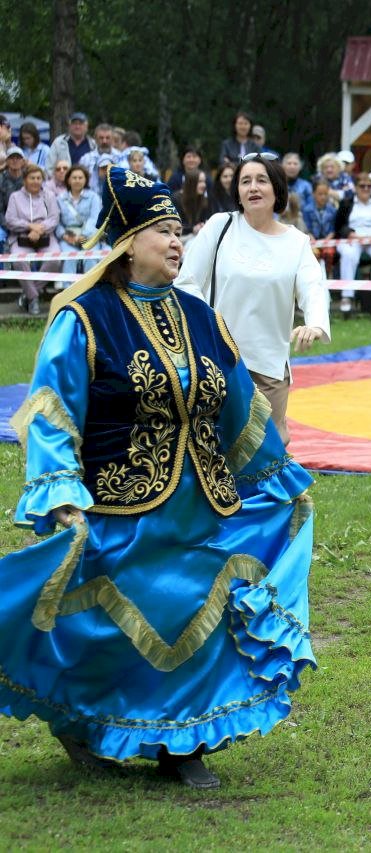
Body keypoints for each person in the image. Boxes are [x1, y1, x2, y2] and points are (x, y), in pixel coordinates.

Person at [0, 166, 315, 789]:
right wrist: (60, 488)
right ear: (127, 244)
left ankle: (183, 743)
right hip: (122, 510)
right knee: (104, 630)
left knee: (200, 608)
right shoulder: (85, 318)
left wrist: (277, 474)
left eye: (179, 232)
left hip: (204, 506)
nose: (176, 243)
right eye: (164, 232)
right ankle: (81, 718)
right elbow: (53, 409)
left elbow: (240, 407)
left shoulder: (201, 317)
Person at [175, 154, 330, 442]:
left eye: (262, 180)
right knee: (213, 445)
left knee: (269, 448)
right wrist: (209, 325)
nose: (253, 187)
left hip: (269, 364)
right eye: (245, 181)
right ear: (237, 191)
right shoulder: (220, 226)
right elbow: (186, 282)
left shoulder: (296, 242)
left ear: (277, 189)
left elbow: (313, 287)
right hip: (218, 359)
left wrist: (316, 324)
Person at [332, 172, 371, 315]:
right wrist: (351, 234)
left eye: (369, 186)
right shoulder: (346, 203)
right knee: (349, 254)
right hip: (353, 238)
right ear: (355, 187)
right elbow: (339, 226)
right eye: (362, 186)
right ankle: (347, 296)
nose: (366, 189)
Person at [5, 163, 61, 314]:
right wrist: (29, 226)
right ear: (25, 180)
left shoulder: (49, 195)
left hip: (45, 235)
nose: (36, 181)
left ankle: (28, 294)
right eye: (32, 178)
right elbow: (10, 220)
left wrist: (39, 229)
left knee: (55, 259)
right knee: (19, 260)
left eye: (38, 178)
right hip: (21, 236)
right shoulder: (15, 197)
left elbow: (54, 218)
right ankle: (33, 298)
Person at [55, 164, 101, 277]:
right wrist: (65, 236)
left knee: (90, 258)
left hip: (89, 237)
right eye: (74, 178)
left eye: (80, 178)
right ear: (68, 180)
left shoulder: (94, 197)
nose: (77, 180)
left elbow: (95, 218)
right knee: (69, 258)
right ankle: (68, 287)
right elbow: (57, 222)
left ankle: (90, 287)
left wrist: (84, 235)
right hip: (68, 238)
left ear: (86, 180)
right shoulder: (60, 199)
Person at [177, 168, 211, 238]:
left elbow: (203, 220)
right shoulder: (176, 199)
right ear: (191, 183)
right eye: (200, 182)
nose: (204, 185)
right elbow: (175, 226)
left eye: (204, 181)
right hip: (181, 238)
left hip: (197, 236)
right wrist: (192, 229)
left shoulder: (203, 200)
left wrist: (202, 225)